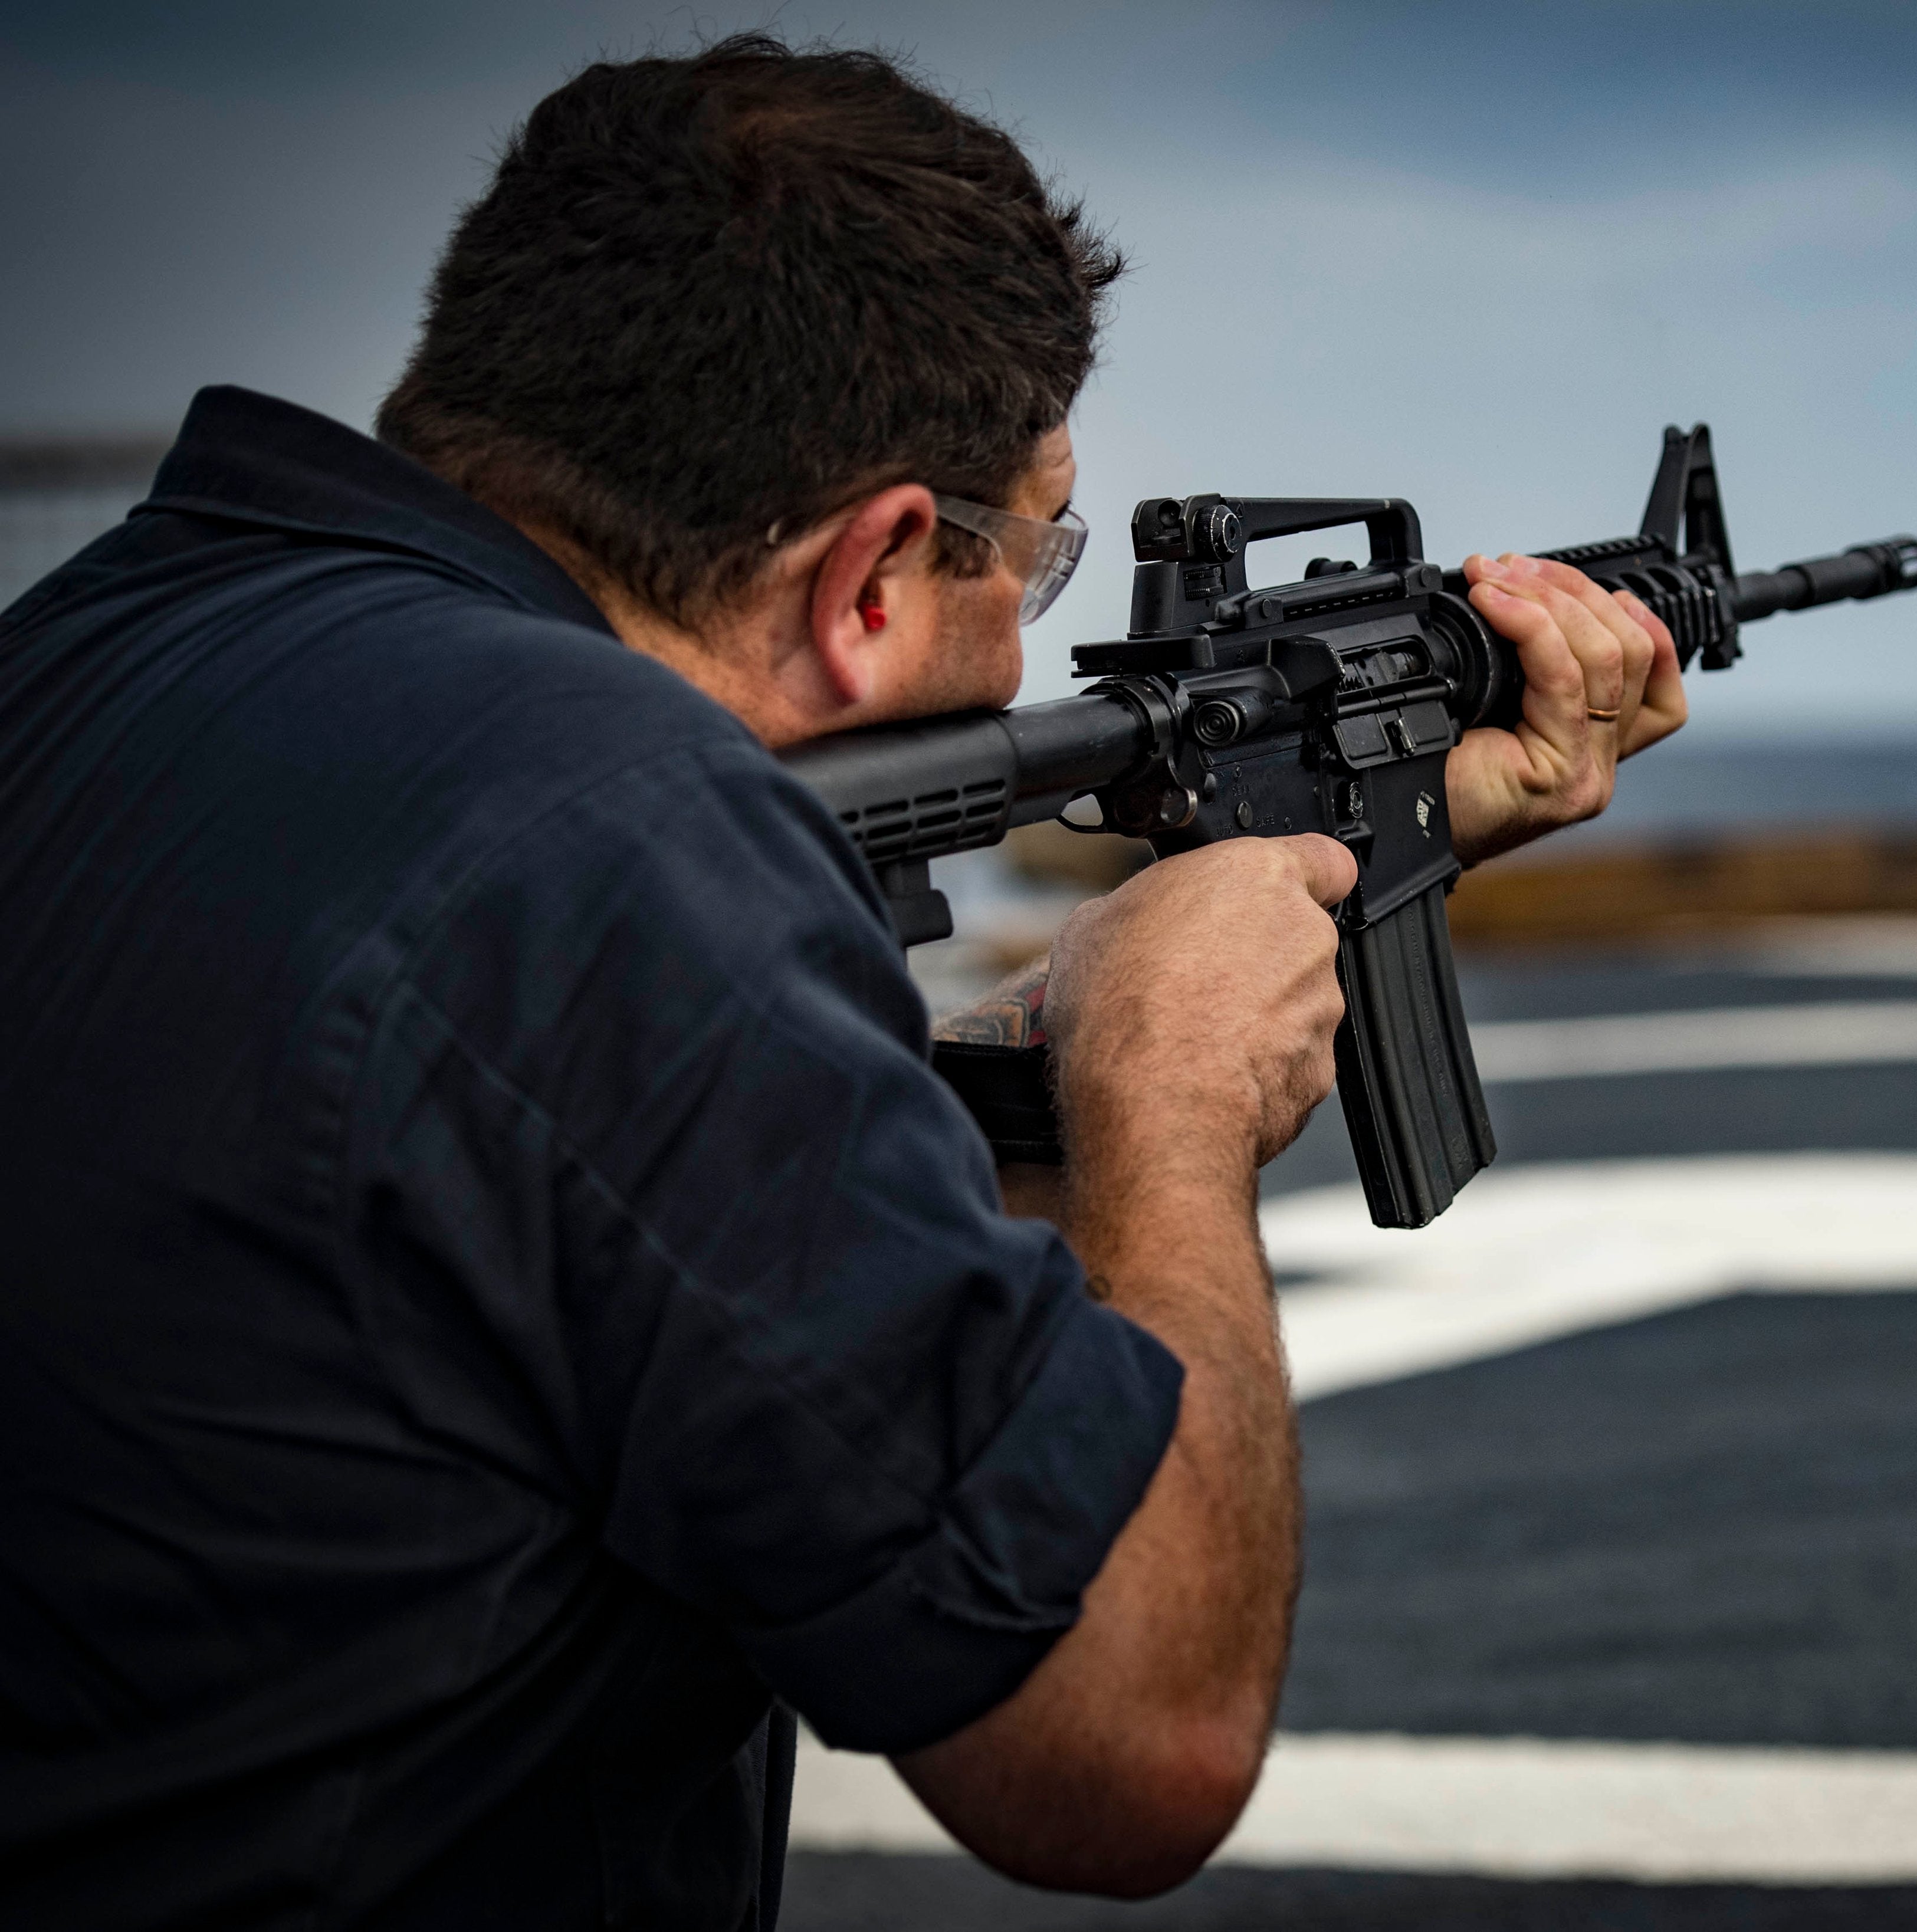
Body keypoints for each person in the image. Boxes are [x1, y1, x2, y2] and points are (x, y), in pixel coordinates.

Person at [0, 34, 1683, 1929]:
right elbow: (1133, 1748)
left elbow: (559, 1189)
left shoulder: (102, 646)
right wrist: (1170, 1100)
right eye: (1037, 564)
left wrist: (1194, 952)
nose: (1030, 643)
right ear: (875, 572)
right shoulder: (624, 830)